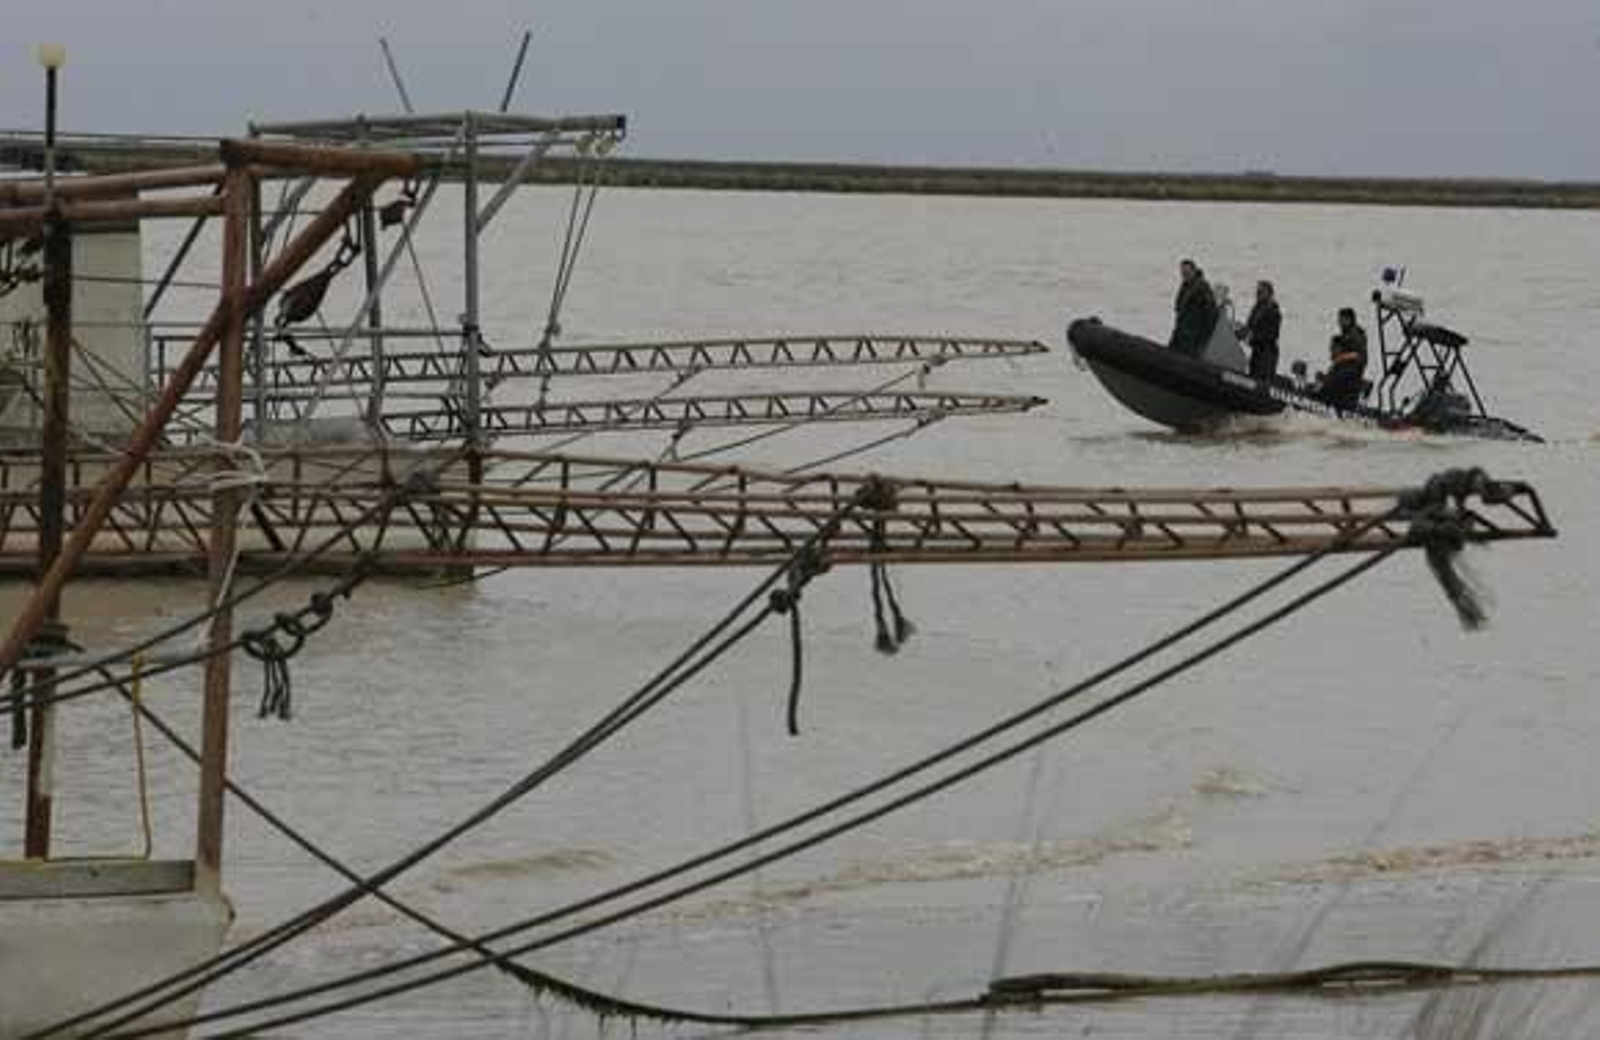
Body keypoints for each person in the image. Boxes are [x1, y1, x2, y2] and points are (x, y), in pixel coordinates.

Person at [1316, 307, 1368, 409]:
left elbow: (1360, 356)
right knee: (1323, 378)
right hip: (1343, 371)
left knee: (1330, 383)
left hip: (1350, 374)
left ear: (1348, 319)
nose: (1339, 322)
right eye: (1339, 319)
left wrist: (1341, 357)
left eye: (1341, 319)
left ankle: (1324, 400)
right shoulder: (1344, 335)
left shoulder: (1356, 335)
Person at [1169, 259, 1218, 358]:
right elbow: (1180, 315)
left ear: (1194, 271)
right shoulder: (1185, 287)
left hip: (1193, 340)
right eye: (1182, 272)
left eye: (1187, 272)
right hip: (1182, 336)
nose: (1184, 275)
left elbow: (1211, 316)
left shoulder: (1202, 288)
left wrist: (1202, 341)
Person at [1243, 280, 1281, 380]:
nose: (1258, 294)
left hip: (1267, 354)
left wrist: (1254, 336)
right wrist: (1240, 331)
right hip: (1256, 351)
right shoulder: (1256, 308)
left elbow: (1272, 335)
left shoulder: (1273, 312)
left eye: (1261, 292)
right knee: (1252, 375)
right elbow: (1249, 326)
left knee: (1261, 379)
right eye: (1257, 291)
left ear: (1269, 294)